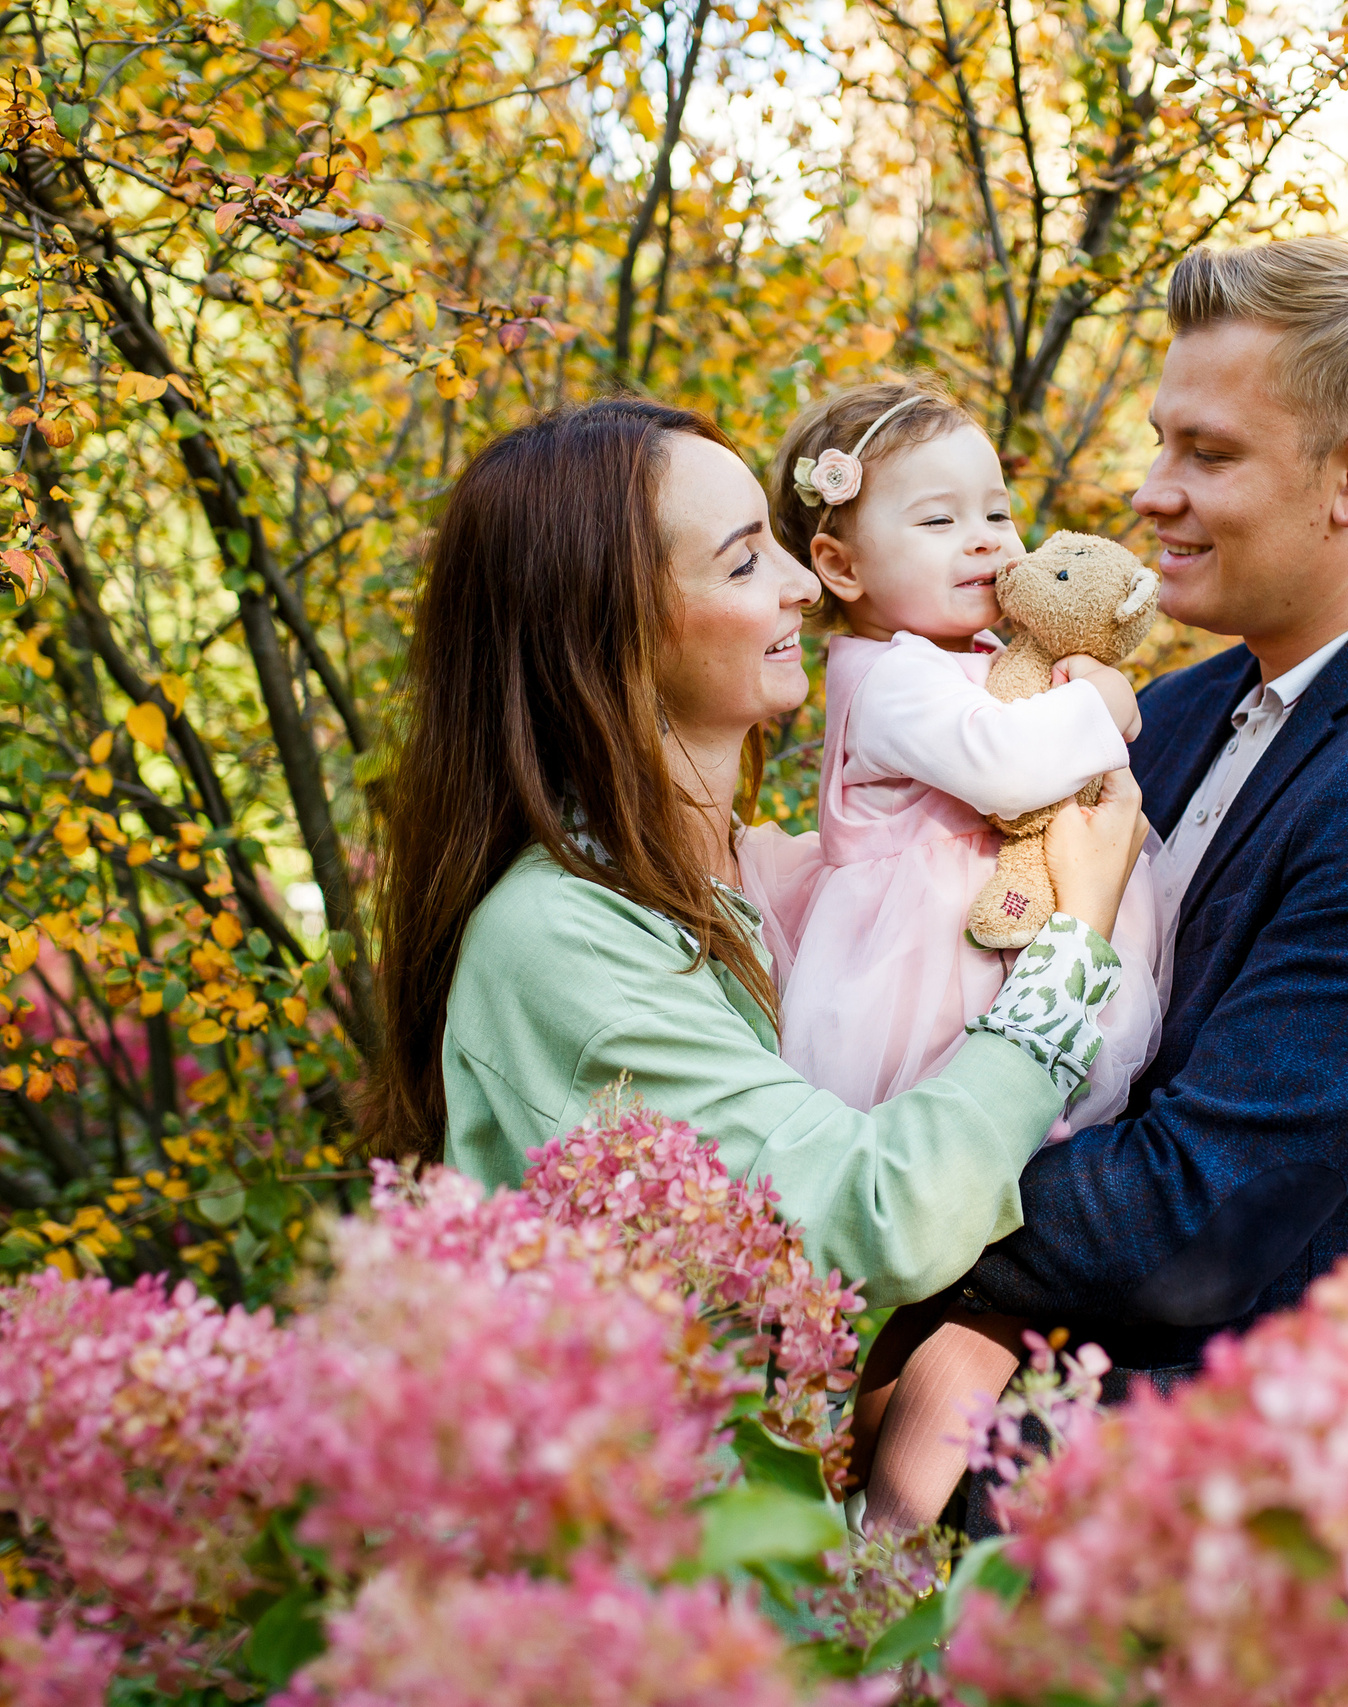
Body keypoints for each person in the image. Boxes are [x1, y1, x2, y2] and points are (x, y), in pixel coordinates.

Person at [354, 398, 1151, 1338]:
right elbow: (870, 1216)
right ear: (608, 630)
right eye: (744, 561)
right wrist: (1073, 945)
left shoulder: (764, 878)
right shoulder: (559, 936)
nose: (805, 587)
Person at [951, 238, 1348, 1407]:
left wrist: (879, 1219)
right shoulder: (1174, 712)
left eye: (1210, 453)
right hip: (1059, 1429)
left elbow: (1200, 1213)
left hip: (1268, 1486)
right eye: (1159, 441)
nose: (1151, 491)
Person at [744, 380, 1171, 1533]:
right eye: (936, 520)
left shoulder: (983, 653)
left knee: (988, 1270)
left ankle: (908, 1491)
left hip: (1004, 968)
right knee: (921, 1257)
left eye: (994, 507)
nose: (985, 536)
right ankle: (866, 1505)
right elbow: (998, 765)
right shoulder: (876, 678)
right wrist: (1108, 705)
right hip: (916, 1003)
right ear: (838, 565)